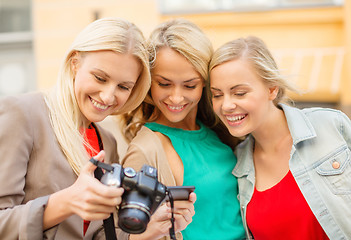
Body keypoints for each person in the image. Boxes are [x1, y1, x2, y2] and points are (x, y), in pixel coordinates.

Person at [0, 17, 193, 240]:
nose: (108, 96)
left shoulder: (107, 142)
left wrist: (151, 229)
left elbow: (99, 233)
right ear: (75, 63)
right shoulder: (22, 114)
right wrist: (65, 202)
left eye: (123, 86)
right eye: (100, 78)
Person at [209, 36, 351, 239]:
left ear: (272, 89)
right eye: (217, 95)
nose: (226, 105)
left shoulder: (329, 125)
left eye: (239, 93)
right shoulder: (238, 163)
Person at [119, 18, 246, 240]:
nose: (176, 97)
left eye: (190, 85)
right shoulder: (146, 150)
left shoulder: (221, 131)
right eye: (164, 84)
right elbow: (130, 234)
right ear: (149, 82)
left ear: (205, 82)